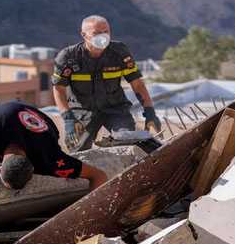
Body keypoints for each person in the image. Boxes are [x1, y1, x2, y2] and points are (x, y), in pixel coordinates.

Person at [52, 15, 161, 151]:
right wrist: (67, 117)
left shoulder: (119, 52)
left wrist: (150, 112)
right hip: (83, 110)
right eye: (97, 33)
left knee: (128, 141)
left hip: (115, 108)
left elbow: (137, 84)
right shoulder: (69, 57)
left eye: (106, 32)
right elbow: (59, 88)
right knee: (79, 148)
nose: (103, 37)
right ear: (84, 35)